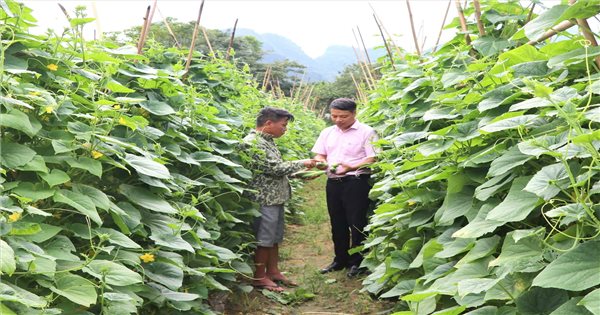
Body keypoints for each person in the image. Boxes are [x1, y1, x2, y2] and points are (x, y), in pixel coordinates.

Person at [243, 107, 316, 292]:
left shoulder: (267, 141)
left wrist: (298, 174)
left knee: (274, 238)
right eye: (283, 125)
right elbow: (273, 168)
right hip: (264, 199)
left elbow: (272, 171)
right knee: (264, 239)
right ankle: (259, 277)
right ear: (268, 124)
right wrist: (302, 163)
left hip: (275, 197)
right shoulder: (252, 143)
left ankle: (273, 271)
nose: (285, 129)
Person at [312, 98, 378, 278]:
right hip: (333, 182)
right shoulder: (327, 132)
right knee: (337, 221)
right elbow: (320, 153)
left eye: (343, 116)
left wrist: (351, 167)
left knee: (356, 222)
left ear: (354, 114)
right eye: (334, 116)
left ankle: (357, 261)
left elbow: (372, 158)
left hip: (356, 182)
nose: (338, 120)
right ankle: (339, 259)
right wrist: (320, 162)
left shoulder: (367, 132)